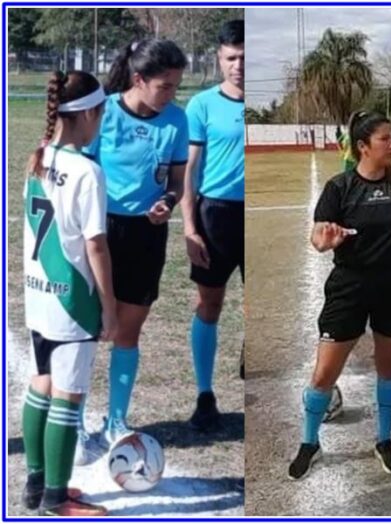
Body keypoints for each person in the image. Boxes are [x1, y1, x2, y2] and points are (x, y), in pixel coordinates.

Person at [287, 111, 391, 480]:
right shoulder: (339, 187)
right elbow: (318, 235)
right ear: (363, 146)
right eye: (385, 139)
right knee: (323, 374)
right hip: (349, 286)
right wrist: (325, 242)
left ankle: (383, 440)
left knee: (388, 369)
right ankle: (309, 442)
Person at [79, 39, 188, 453]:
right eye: (165, 86)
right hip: (99, 232)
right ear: (138, 79)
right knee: (88, 330)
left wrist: (169, 201)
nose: (171, 95)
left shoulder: (177, 120)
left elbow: (176, 182)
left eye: (176, 86)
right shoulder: (103, 112)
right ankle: (75, 420)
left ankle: (115, 420)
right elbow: (81, 172)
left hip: (147, 234)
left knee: (128, 331)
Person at [22, 70, 115, 516]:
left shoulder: (40, 154)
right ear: (91, 113)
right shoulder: (87, 170)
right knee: (68, 395)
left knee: (41, 384)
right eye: (102, 114)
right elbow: (95, 245)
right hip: (72, 300)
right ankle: (57, 498)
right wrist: (109, 307)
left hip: (39, 294)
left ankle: (34, 485)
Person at [181, 20, 244, 431]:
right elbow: (188, 170)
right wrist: (189, 227)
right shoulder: (202, 105)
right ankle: (205, 395)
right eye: (232, 58)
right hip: (215, 215)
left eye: (245, 57)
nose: (239, 65)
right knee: (210, 304)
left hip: (252, 214)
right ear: (219, 59)